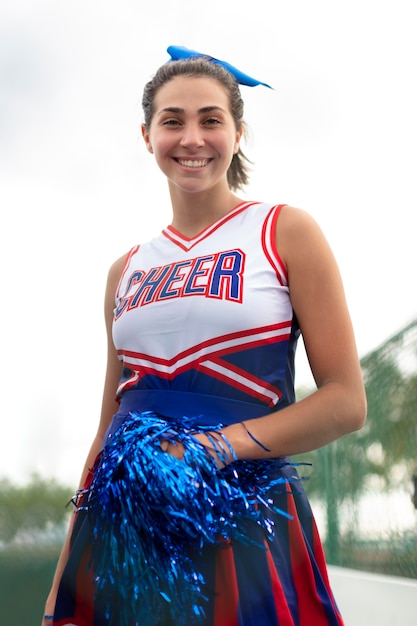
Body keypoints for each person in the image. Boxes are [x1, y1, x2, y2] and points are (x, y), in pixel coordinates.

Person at [42, 46, 367, 626]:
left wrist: (208, 450)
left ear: (238, 132)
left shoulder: (284, 230)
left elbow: (345, 402)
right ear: (147, 136)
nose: (192, 137)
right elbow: (107, 430)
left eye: (210, 119)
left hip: (243, 522)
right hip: (126, 534)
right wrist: (63, 583)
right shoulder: (127, 268)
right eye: (173, 121)